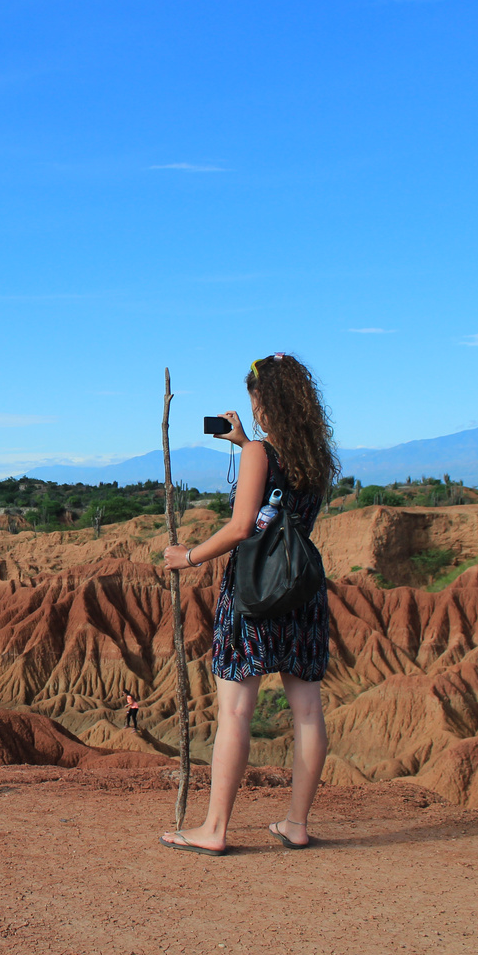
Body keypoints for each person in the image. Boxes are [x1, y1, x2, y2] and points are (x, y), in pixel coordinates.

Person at [157, 353, 336, 855]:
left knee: (235, 710)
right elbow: (279, 506)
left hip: (255, 592)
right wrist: (245, 446)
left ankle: (214, 829)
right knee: (307, 710)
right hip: (301, 589)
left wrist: (187, 557)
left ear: (265, 401)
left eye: (255, 399)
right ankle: (296, 824)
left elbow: (241, 528)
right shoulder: (315, 456)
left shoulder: (261, 453)